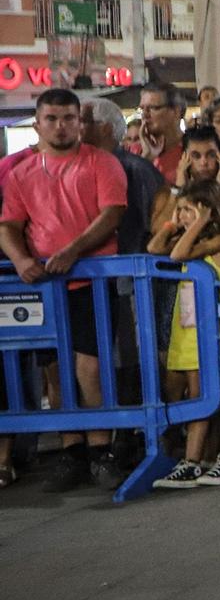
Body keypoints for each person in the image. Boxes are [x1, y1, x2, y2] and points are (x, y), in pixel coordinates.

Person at [0, 89, 128, 491]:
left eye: (68, 118)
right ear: (37, 123)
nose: (60, 125)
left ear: (80, 122)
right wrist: (21, 260)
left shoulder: (102, 163)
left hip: (91, 279)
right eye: (52, 118)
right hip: (43, 288)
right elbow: (8, 226)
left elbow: (113, 213)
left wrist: (73, 250)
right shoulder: (20, 173)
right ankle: (71, 450)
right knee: (55, 372)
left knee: (90, 367)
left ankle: (101, 449)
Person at [148, 181, 220, 490]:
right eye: (181, 210)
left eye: (188, 210)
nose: (182, 216)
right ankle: (202, 457)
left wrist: (198, 222)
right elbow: (154, 248)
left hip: (214, 333)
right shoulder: (184, 237)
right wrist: (175, 221)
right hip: (187, 332)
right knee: (191, 393)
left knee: (205, 395)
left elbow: (178, 255)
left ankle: (193, 460)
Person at [82, 97, 164, 258]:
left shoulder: (134, 168)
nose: (75, 127)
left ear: (104, 128)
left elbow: (140, 225)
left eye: (83, 121)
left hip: (132, 266)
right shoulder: (87, 167)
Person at [137, 80, 186, 182]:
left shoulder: (194, 151)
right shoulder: (134, 152)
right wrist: (145, 159)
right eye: (142, 109)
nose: (144, 115)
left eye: (153, 108)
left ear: (176, 112)